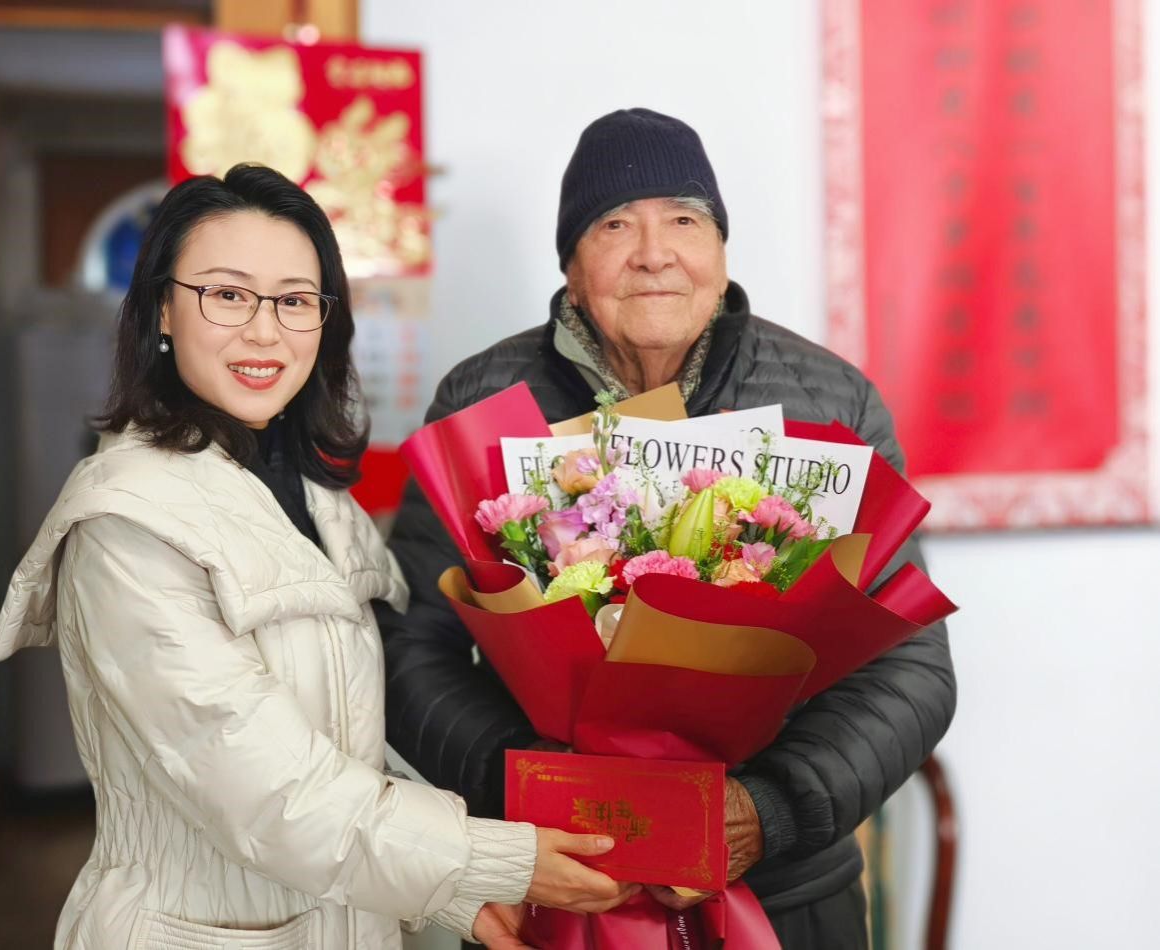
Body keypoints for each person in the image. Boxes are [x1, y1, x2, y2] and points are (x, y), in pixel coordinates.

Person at [0, 164, 637, 950]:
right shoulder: (127, 523)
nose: (265, 331)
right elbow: (266, 793)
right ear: (162, 308)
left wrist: (453, 898)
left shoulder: (318, 499)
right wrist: (490, 860)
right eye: (227, 295)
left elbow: (350, 748)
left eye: (295, 300)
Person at [378, 109, 956, 948]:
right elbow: (410, 646)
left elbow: (909, 662)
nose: (654, 252)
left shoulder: (830, 403)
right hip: (553, 883)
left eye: (684, 220)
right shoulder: (483, 405)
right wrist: (534, 790)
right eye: (614, 225)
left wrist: (768, 809)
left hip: (788, 895)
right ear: (572, 269)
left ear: (720, 253)